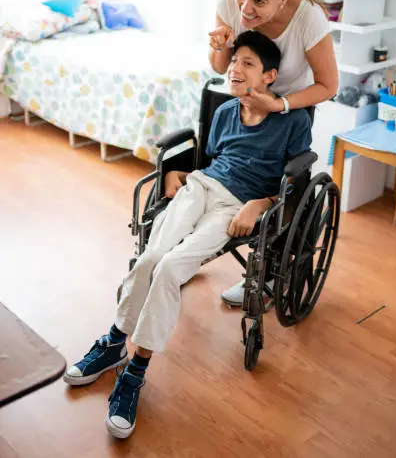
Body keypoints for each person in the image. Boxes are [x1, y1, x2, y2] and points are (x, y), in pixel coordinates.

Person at [63, 31, 312, 439]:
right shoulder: (225, 112)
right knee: (149, 258)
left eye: (247, 63)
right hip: (200, 187)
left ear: (269, 76)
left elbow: (294, 185)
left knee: (172, 267)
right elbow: (213, 160)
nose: (234, 67)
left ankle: (134, 372)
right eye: (234, 61)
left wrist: (260, 204)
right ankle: (112, 344)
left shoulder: (293, 121)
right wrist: (178, 173)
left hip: (237, 207)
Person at [209, 0, 338, 307]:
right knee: (221, 170)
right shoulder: (230, 2)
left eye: (259, 2)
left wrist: (279, 104)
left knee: (283, 187)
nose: (245, 9)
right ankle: (191, 246)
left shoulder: (308, 19)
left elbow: (328, 86)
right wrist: (220, 46)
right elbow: (221, 67)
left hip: (289, 111)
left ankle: (265, 273)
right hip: (245, 105)